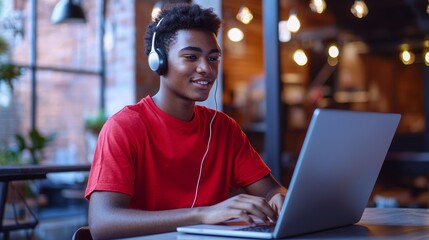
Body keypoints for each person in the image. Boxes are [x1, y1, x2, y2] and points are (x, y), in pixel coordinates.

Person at [84, 3, 287, 239]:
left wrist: (278, 198)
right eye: (191, 57)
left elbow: (272, 189)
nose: (206, 69)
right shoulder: (124, 127)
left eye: (213, 58)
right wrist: (202, 214)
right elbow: (102, 223)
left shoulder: (224, 128)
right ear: (158, 61)